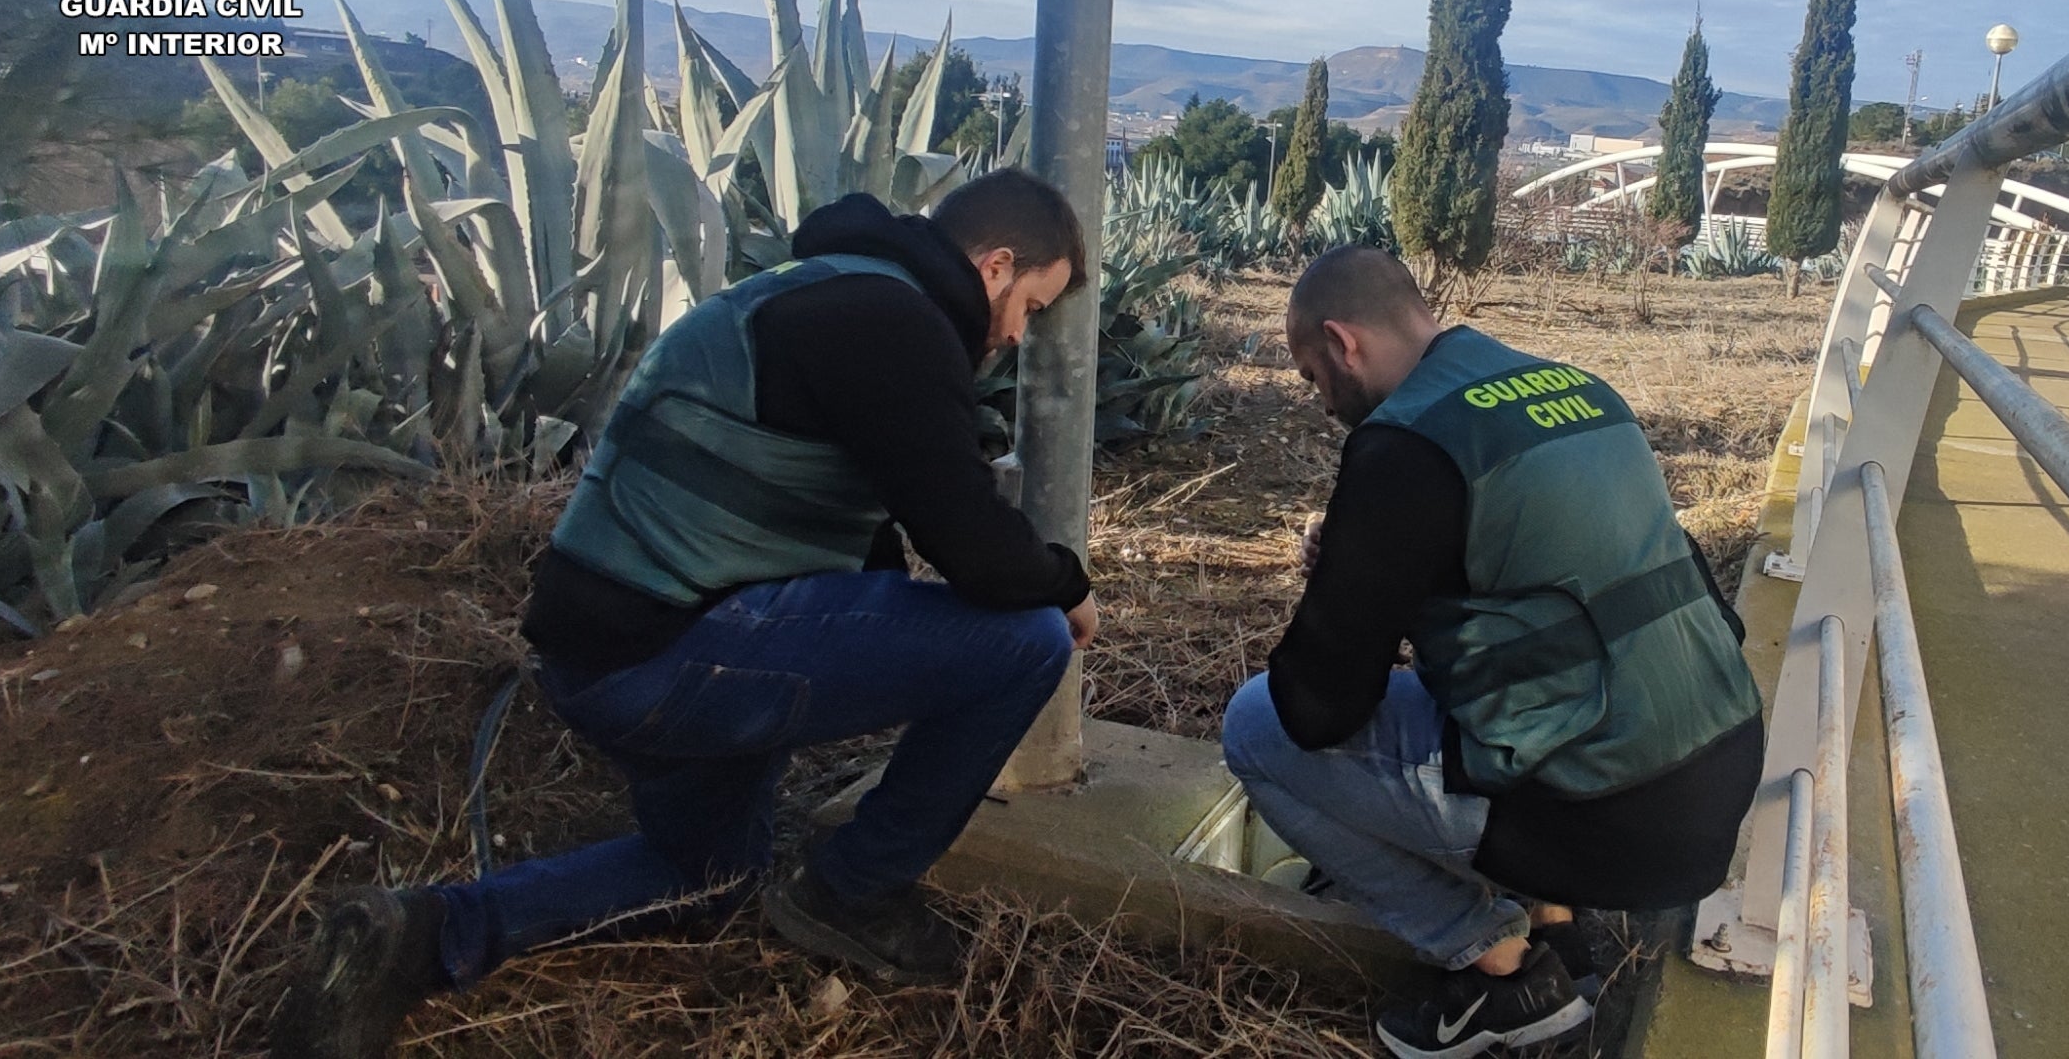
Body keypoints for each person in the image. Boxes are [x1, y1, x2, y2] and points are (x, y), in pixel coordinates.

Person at [275, 171, 1099, 1059]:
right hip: (673, 654)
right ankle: (856, 889)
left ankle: (419, 937)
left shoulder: (820, 290)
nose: (1016, 335)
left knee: (702, 873)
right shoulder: (892, 321)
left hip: (608, 650)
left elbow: (856, 533)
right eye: (1030, 305)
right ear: (995, 264)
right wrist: (1065, 581)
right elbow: (973, 545)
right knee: (1024, 639)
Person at [1222, 246, 1764, 1059]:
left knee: (1252, 725)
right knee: (1510, 677)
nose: (1322, 403)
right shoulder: (1573, 388)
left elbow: (1316, 704)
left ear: (1342, 343)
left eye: (1310, 377)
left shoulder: (1403, 443)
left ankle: (1498, 969)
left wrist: (1357, 579)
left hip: (1601, 818)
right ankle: (1561, 925)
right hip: (1714, 777)